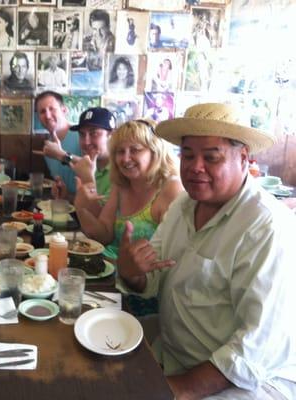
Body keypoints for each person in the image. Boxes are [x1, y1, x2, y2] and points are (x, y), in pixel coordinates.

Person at [116, 102, 296, 399]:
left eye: (211, 157)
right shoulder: (183, 206)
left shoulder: (267, 227)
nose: (195, 166)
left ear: (243, 158)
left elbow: (255, 347)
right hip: (176, 352)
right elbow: (152, 276)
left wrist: (178, 390)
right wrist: (132, 271)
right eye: (187, 155)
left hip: (248, 380)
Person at [74, 119, 182, 315]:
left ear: (155, 151)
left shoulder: (170, 188)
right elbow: (104, 235)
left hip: (142, 293)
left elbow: (172, 260)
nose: (125, 158)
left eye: (135, 150)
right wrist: (81, 207)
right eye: (119, 151)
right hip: (107, 280)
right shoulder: (121, 185)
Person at [34, 91, 81, 196]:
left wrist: (60, 154)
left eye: (52, 109)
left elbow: (94, 169)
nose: (47, 115)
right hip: (65, 206)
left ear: (64, 110)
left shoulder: (82, 136)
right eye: (42, 111)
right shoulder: (48, 146)